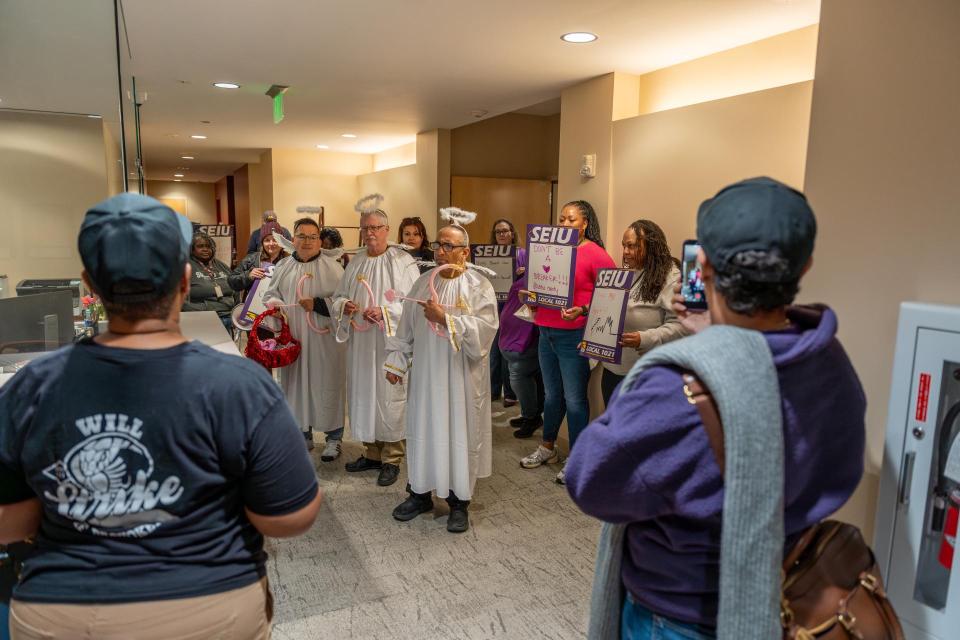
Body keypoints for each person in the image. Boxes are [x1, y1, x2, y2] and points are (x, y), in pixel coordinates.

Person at [0, 193, 321, 639]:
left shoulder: (29, 388)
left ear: (88, 285)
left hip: (64, 612)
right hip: (207, 609)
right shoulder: (240, 385)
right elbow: (290, 517)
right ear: (186, 281)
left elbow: (8, 524)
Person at [565, 177, 866, 638]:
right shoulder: (830, 363)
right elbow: (842, 471)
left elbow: (590, 479)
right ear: (804, 266)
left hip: (679, 614)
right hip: (789, 592)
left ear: (700, 263)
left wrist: (700, 352)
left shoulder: (677, 387)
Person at [384, 216, 498, 533]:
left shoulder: (479, 286)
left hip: (461, 379)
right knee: (423, 430)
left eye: (448, 245)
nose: (440, 251)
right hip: (425, 377)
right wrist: (396, 362)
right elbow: (405, 327)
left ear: (466, 251)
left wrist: (445, 317)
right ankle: (419, 493)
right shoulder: (422, 284)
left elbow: (485, 333)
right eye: (438, 245)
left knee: (459, 434)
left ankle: (459, 502)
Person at [518, 200, 616, 485]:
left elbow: (611, 293)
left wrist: (584, 310)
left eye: (571, 220)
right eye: (561, 219)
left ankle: (577, 457)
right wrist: (530, 297)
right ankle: (548, 447)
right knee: (551, 396)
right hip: (545, 330)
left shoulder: (597, 255)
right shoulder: (550, 250)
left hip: (573, 334)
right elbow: (541, 286)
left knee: (574, 399)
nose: (564, 224)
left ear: (584, 223)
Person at [331, 207, 419, 487]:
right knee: (365, 394)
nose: (370, 233)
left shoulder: (402, 262)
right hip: (361, 344)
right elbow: (339, 295)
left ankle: (392, 458)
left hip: (389, 342)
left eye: (375, 228)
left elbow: (413, 301)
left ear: (387, 230)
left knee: (388, 396)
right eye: (365, 228)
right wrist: (344, 305)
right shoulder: (355, 262)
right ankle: (372, 452)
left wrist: (385, 311)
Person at [262, 218, 347, 461]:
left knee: (328, 384)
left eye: (312, 236)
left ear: (320, 240)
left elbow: (344, 301)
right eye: (302, 235)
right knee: (296, 385)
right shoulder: (284, 266)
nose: (307, 241)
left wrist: (318, 304)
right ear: (293, 239)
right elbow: (271, 295)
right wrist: (276, 308)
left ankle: (333, 438)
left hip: (325, 339)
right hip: (295, 337)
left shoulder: (333, 267)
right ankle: (303, 433)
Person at [601, 219, 688, 405]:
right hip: (613, 368)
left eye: (631, 246)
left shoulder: (671, 278)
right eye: (623, 246)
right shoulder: (627, 272)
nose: (625, 252)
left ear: (651, 246)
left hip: (643, 372)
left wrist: (643, 338)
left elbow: (680, 326)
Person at [499, 246, 544, 432]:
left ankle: (532, 417)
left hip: (527, 342)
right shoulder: (521, 279)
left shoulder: (544, 283)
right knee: (517, 373)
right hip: (511, 341)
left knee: (518, 375)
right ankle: (528, 414)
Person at [182, 231, 239, 332]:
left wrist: (236, 312)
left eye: (208, 246)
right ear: (192, 249)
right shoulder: (185, 267)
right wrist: (206, 309)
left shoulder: (222, 266)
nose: (205, 249)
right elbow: (179, 301)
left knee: (226, 348)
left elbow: (235, 288)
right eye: (200, 246)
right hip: (201, 321)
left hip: (228, 319)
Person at [488, 219, 518, 407]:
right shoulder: (486, 255)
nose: (501, 234)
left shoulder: (521, 254)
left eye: (505, 231)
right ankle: (492, 390)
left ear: (512, 233)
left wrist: (522, 272)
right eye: (498, 231)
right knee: (492, 352)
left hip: (512, 309)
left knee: (507, 351)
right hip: (492, 306)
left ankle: (510, 392)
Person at [228, 219, 290, 296]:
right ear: (262, 243)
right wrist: (248, 276)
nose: (271, 243)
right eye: (267, 240)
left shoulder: (290, 261)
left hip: (281, 305)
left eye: (275, 240)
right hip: (254, 305)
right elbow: (231, 281)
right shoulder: (251, 259)